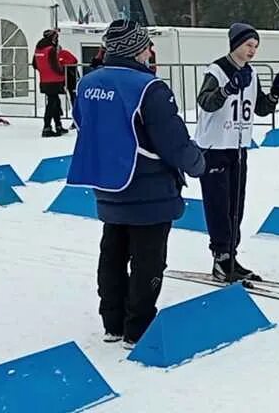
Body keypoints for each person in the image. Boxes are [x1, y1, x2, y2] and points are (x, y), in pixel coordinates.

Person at [68, 19, 205, 349]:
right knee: (149, 260)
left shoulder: (88, 83)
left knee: (112, 252)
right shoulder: (148, 88)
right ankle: (138, 327)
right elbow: (172, 142)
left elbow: (82, 123)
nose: (150, 50)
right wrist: (198, 163)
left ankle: (112, 322)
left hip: (108, 184)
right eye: (146, 44)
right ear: (137, 48)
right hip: (149, 188)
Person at [194, 23, 279, 282]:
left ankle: (230, 255)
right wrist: (227, 89)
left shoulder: (252, 73)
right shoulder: (217, 70)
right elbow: (205, 102)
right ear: (235, 44)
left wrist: (275, 93)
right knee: (218, 204)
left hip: (238, 145)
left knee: (236, 205)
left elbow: (260, 108)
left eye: (256, 46)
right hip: (214, 146)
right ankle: (221, 257)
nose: (252, 51)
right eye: (248, 44)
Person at [32, 29, 78, 137]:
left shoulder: (38, 48)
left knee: (55, 102)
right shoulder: (51, 49)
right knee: (52, 104)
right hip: (55, 80)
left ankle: (58, 126)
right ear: (53, 38)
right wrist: (62, 72)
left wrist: (44, 71)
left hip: (44, 80)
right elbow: (55, 65)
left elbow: (34, 64)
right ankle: (47, 127)